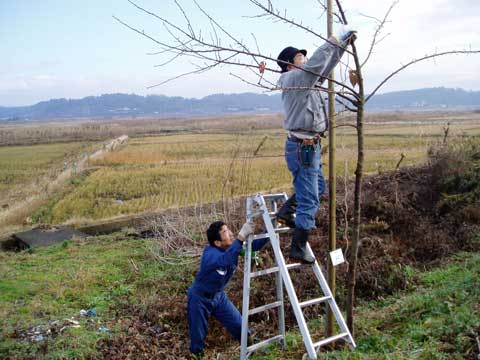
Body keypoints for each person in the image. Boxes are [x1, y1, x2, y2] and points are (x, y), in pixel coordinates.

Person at [275, 26, 357, 264]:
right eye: (301, 58)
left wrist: (342, 47)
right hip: (302, 148)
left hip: (310, 147)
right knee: (310, 199)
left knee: (318, 187)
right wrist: (335, 39)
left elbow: (325, 65)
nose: (307, 60)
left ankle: (286, 211)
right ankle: (298, 247)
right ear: (290, 64)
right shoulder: (294, 79)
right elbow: (317, 64)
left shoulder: (305, 80)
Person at [187, 221, 268, 359]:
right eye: (225, 232)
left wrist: (270, 229)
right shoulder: (210, 254)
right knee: (198, 336)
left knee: (240, 326)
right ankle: (197, 356)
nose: (230, 233)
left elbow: (252, 247)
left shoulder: (232, 248)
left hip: (219, 297)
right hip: (199, 299)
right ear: (217, 242)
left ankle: (251, 350)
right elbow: (225, 260)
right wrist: (240, 237)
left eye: (228, 229)